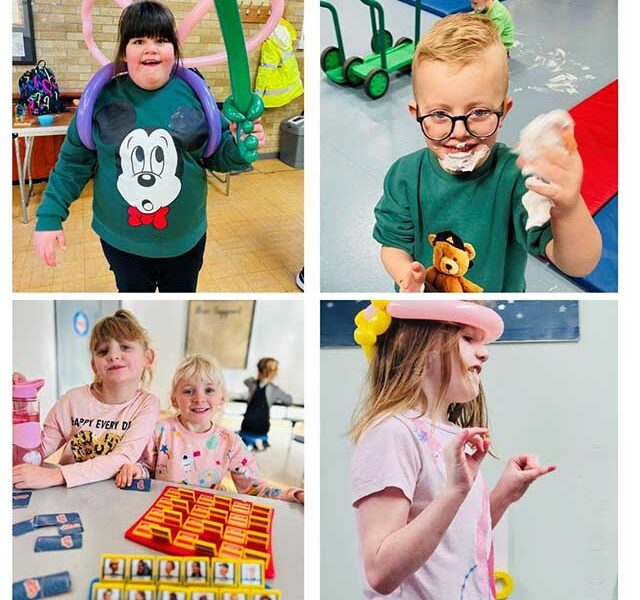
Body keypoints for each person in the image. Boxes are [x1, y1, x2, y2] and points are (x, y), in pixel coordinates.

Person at [33, 0, 264, 292]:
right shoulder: (101, 101)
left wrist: (242, 148)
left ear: (174, 52)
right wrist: (50, 217)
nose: (151, 48)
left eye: (162, 40)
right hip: (121, 242)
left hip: (185, 242)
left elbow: (218, 155)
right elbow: (72, 164)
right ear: (124, 52)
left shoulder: (196, 97)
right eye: (139, 40)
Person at [373, 15, 601, 293]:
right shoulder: (405, 176)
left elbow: (578, 264)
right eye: (439, 114)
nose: (459, 132)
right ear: (417, 114)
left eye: (479, 112)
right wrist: (406, 275)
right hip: (424, 309)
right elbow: (394, 244)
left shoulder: (518, 178)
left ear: (503, 112)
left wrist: (569, 209)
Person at [350, 300, 555, 597]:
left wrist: (501, 496)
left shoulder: (451, 434)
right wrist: (454, 491)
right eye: (468, 339)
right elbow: (380, 572)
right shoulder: (392, 432)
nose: (484, 353)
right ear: (415, 344)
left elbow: (454, 541)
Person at [115, 354, 304, 503]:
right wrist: (136, 470)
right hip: (164, 510)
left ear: (221, 398)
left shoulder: (229, 442)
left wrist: (290, 495)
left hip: (208, 515)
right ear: (174, 399)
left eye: (209, 390)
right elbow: (145, 468)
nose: (199, 398)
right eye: (189, 391)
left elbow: (254, 487)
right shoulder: (159, 431)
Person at [12, 309, 159, 489]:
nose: (113, 356)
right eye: (103, 351)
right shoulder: (72, 400)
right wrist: (20, 403)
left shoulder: (147, 404)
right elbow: (34, 455)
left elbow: (122, 458)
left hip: (118, 497)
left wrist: (57, 475)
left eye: (125, 347)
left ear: (148, 358)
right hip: (73, 497)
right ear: (94, 366)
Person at [239, 357, 292, 451]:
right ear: (274, 373)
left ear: (259, 370)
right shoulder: (274, 390)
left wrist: (258, 377)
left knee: (244, 445)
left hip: (246, 425)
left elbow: (246, 381)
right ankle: (258, 442)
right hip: (261, 428)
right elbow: (289, 400)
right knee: (258, 442)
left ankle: (250, 443)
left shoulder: (252, 383)